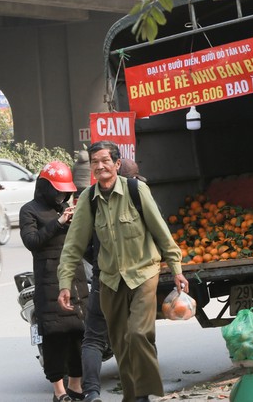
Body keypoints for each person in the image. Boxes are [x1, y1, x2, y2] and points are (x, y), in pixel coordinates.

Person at [57, 141, 189, 402]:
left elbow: (161, 232)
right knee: (120, 345)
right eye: (95, 162)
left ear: (117, 164)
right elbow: (73, 245)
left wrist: (176, 268)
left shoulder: (137, 190)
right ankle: (135, 397)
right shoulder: (88, 199)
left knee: (138, 334)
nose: (100, 166)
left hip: (143, 273)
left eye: (105, 160)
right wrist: (64, 282)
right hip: (110, 280)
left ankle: (147, 390)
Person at [19, 161, 89, 402]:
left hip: (76, 278)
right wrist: (58, 224)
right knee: (54, 336)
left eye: (64, 191)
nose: (61, 195)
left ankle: (76, 386)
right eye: (57, 190)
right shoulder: (29, 210)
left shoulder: (67, 208)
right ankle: (59, 390)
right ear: (45, 187)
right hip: (48, 279)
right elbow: (32, 241)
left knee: (79, 334)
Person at [77, 158, 145, 402]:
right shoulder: (139, 198)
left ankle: (92, 393)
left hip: (102, 279)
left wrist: (97, 260)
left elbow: (80, 244)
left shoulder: (92, 201)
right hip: (135, 281)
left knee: (93, 338)